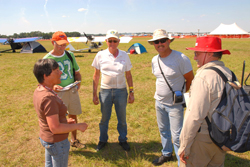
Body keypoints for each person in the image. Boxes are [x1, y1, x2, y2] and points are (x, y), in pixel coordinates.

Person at [178, 36, 231, 167]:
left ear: (210, 53)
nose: (195, 57)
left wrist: (184, 145)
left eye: (197, 53)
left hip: (202, 139)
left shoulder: (203, 76)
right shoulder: (229, 73)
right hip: (222, 136)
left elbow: (194, 116)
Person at [148, 29, 194, 166]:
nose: (160, 44)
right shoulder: (154, 60)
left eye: (162, 40)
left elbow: (190, 79)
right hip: (159, 102)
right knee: (163, 130)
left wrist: (182, 97)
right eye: (157, 42)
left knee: (178, 136)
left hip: (175, 105)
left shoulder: (181, 58)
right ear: (154, 44)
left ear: (169, 41)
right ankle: (167, 154)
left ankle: (182, 162)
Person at [33, 59, 88, 167]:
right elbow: (55, 128)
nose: (61, 73)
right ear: (46, 76)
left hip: (47, 139)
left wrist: (65, 121)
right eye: (57, 71)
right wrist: (78, 126)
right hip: (57, 142)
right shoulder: (49, 98)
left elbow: (47, 117)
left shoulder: (40, 89)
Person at [92, 29, 134, 152]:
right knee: (105, 118)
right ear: (106, 41)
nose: (112, 43)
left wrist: (131, 92)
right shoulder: (100, 55)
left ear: (118, 42)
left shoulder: (124, 55)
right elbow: (96, 75)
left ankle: (123, 140)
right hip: (105, 91)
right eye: (110, 41)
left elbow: (129, 75)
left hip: (121, 91)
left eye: (114, 41)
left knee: (122, 118)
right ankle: (102, 140)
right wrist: (94, 94)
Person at [43, 31, 85, 148]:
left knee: (73, 115)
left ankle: (74, 140)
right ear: (53, 43)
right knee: (59, 119)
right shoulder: (47, 59)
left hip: (72, 91)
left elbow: (77, 74)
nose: (62, 47)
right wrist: (53, 87)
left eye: (64, 44)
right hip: (57, 94)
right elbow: (43, 82)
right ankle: (60, 143)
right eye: (59, 44)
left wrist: (78, 84)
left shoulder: (70, 55)